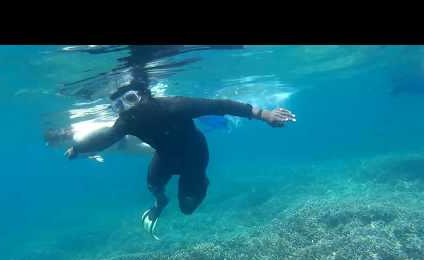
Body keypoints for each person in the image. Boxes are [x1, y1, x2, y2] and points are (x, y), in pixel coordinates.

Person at [64, 85, 296, 239]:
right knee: (153, 186)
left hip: (194, 157)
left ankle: (201, 183)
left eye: (130, 99)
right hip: (165, 157)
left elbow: (220, 105)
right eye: (118, 106)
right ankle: (160, 204)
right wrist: (78, 148)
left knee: (187, 208)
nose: (125, 108)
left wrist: (264, 114)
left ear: (144, 95)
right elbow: (106, 138)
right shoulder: (126, 122)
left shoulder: (174, 105)